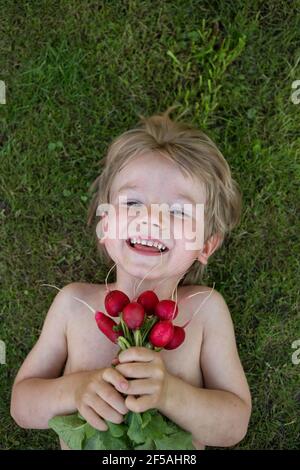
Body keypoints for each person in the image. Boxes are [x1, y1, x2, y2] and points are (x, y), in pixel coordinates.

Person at [10, 106, 252, 450]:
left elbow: (233, 425)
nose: (151, 219)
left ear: (206, 245)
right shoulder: (72, 304)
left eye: (179, 211)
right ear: (105, 225)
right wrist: (76, 390)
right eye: (133, 202)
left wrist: (169, 393)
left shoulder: (205, 310)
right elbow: (22, 405)